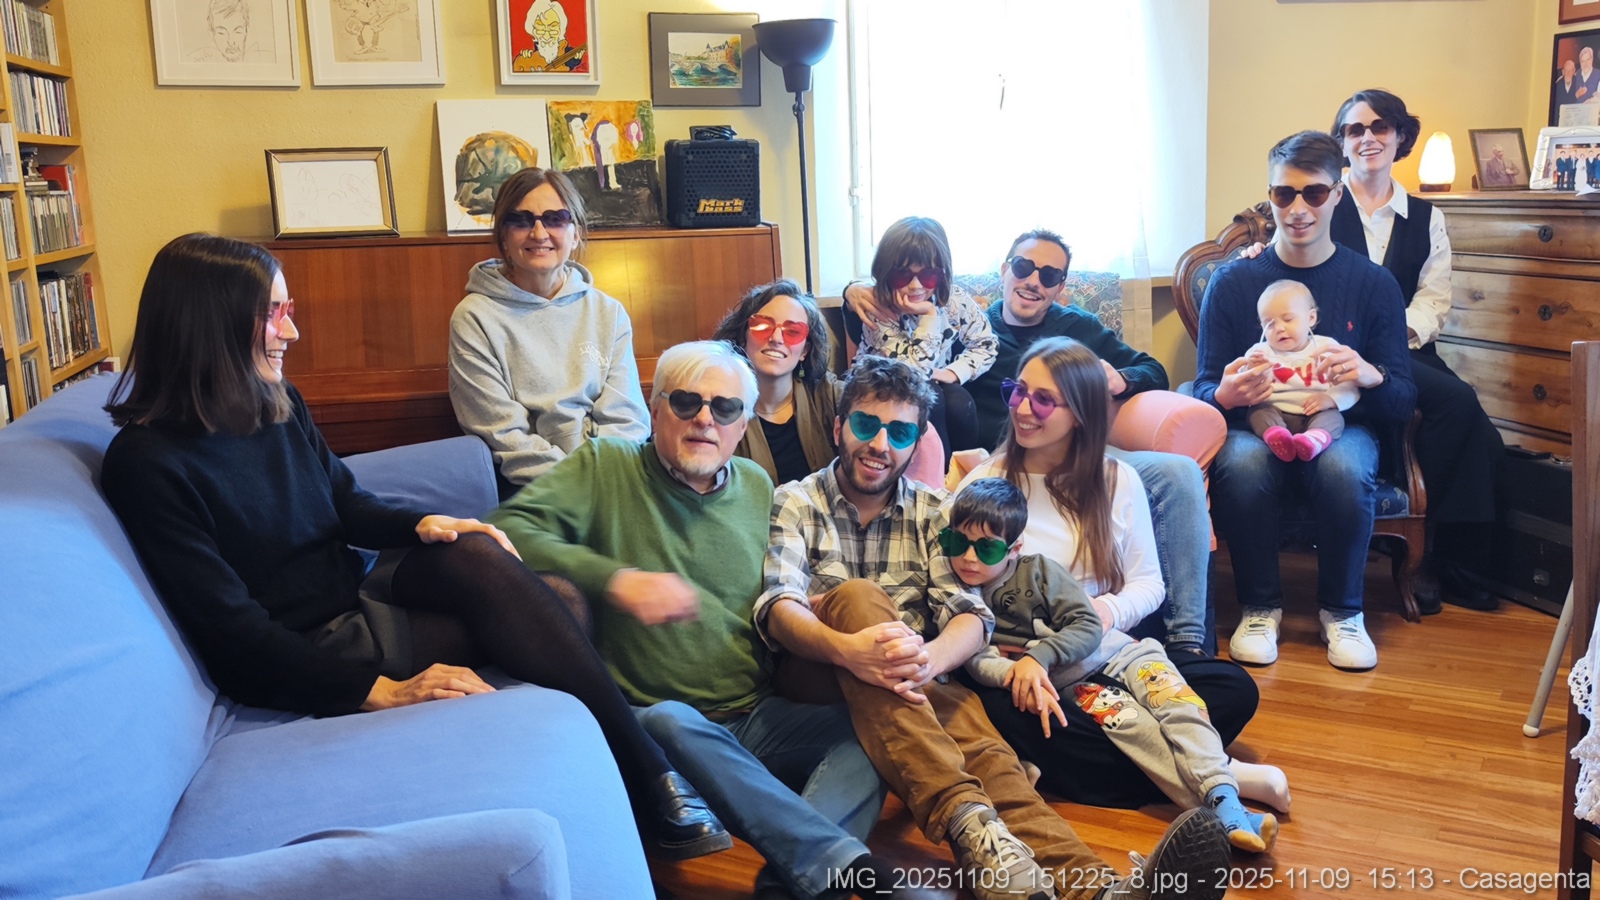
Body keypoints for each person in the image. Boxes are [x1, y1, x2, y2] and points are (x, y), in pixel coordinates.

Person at [99, 233, 728, 862]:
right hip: (315, 639)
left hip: (359, 588)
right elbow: (233, 636)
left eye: (288, 311)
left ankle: (640, 766)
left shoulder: (276, 402)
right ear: (210, 324)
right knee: (559, 600)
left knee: (478, 550)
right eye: (273, 314)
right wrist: (376, 690)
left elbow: (346, 503)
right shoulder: (147, 464)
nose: (291, 332)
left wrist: (426, 522)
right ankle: (649, 772)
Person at [758, 355, 1234, 900]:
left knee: (992, 758)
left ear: (916, 442)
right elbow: (779, 606)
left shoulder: (935, 511)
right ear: (840, 426)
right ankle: (970, 829)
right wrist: (848, 649)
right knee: (858, 597)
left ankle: (1098, 890)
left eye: (900, 432)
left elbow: (971, 614)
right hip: (817, 672)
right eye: (866, 425)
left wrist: (929, 662)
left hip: (916, 682)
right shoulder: (795, 501)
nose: (880, 444)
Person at [487, 341, 898, 900]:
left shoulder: (757, 484)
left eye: (725, 408)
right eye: (686, 402)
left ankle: (798, 873)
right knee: (670, 720)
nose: (706, 419)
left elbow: (782, 583)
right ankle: (833, 862)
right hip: (654, 725)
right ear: (656, 410)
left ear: (742, 425)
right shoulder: (605, 464)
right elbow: (507, 530)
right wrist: (614, 579)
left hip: (755, 715)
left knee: (868, 733)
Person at [847, 228, 1221, 656]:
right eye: (1024, 268)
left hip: (1080, 448)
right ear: (1005, 270)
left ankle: (1189, 644)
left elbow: (1152, 369)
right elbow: (909, 369)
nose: (1033, 281)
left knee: (1179, 473)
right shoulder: (969, 326)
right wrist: (854, 290)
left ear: (1061, 286)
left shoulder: (1078, 326)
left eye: (1049, 275)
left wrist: (1119, 379)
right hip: (1001, 460)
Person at [956, 338, 1276, 814]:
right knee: (1012, 709)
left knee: (1234, 689)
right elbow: (952, 582)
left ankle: (1109, 770)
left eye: (1042, 400)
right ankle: (1216, 773)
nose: (1022, 408)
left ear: (1080, 413)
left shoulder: (1115, 479)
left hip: (1103, 653)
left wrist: (1101, 613)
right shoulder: (985, 482)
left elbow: (1148, 585)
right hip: (1026, 666)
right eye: (1017, 391)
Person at [946, 476, 1280, 853]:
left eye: (986, 548)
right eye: (958, 543)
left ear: (1014, 548)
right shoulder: (959, 592)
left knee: (1181, 709)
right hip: (1081, 686)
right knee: (1140, 736)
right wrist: (1013, 673)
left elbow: (1087, 624)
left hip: (1126, 656)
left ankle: (1225, 794)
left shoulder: (1039, 570)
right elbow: (976, 658)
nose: (969, 558)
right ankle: (1221, 817)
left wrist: (1037, 658)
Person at [1196, 131, 1416, 672]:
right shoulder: (1232, 282)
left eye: (1314, 193)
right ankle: (1259, 609)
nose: (1297, 209)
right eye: (1283, 194)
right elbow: (1200, 389)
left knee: (1343, 468)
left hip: (1340, 422)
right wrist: (1224, 394)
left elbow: (1403, 399)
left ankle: (1343, 613)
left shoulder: (1374, 284)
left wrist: (1371, 376)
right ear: (1269, 196)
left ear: (1338, 194)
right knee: (1243, 464)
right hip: (1257, 425)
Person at [1329, 89, 1505, 611]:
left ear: (1400, 136)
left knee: (1479, 431)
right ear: (1342, 142)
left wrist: (1391, 339)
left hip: (1404, 347)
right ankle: (1436, 558)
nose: (1368, 138)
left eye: (1379, 127)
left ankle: (1439, 557)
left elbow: (1433, 300)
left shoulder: (1427, 218)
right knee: (1460, 405)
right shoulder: (1323, 201)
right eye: (1355, 129)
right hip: (1337, 352)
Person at [449, 167, 649, 499]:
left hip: (613, 480)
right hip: (532, 492)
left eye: (555, 218)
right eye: (521, 220)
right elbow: (504, 434)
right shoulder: (474, 318)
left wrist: (605, 482)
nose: (539, 233)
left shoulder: (608, 312)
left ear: (576, 233)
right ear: (503, 236)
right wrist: (579, 489)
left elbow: (627, 417)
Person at [843, 216, 997, 458]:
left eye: (928, 276)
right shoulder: (878, 308)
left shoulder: (954, 300)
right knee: (933, 401)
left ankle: (965, 471)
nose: (916, 286)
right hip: (880, 387)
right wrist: (929, 316)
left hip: (930, 383)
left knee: (958, 401)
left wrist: (954, 372)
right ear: (885, 272)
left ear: (943, 273)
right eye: (902, 275)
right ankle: (934, 476)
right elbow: (912, 375)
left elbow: (986, 343)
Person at [711, 280, 841, 485]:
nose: (777, 338)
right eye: (763, 325)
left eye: (793, 331)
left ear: (805, 351)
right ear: (743, 337)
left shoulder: (829, 395)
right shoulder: (716, 405)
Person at [1245, 280, 1357, 462]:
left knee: (1334, 418)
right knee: (1257, 413)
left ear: (1311, 318)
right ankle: (1276, 437)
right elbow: (1243, 387)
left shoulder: (1327, 347)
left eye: (1288, 319)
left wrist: (1331, 400)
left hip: (1316, 413)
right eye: (1269, 324)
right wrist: (1250, 369)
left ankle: (1313, 440)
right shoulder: (1259, 352)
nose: (1279, 328)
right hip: (1274, 411)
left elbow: (1350, 383)